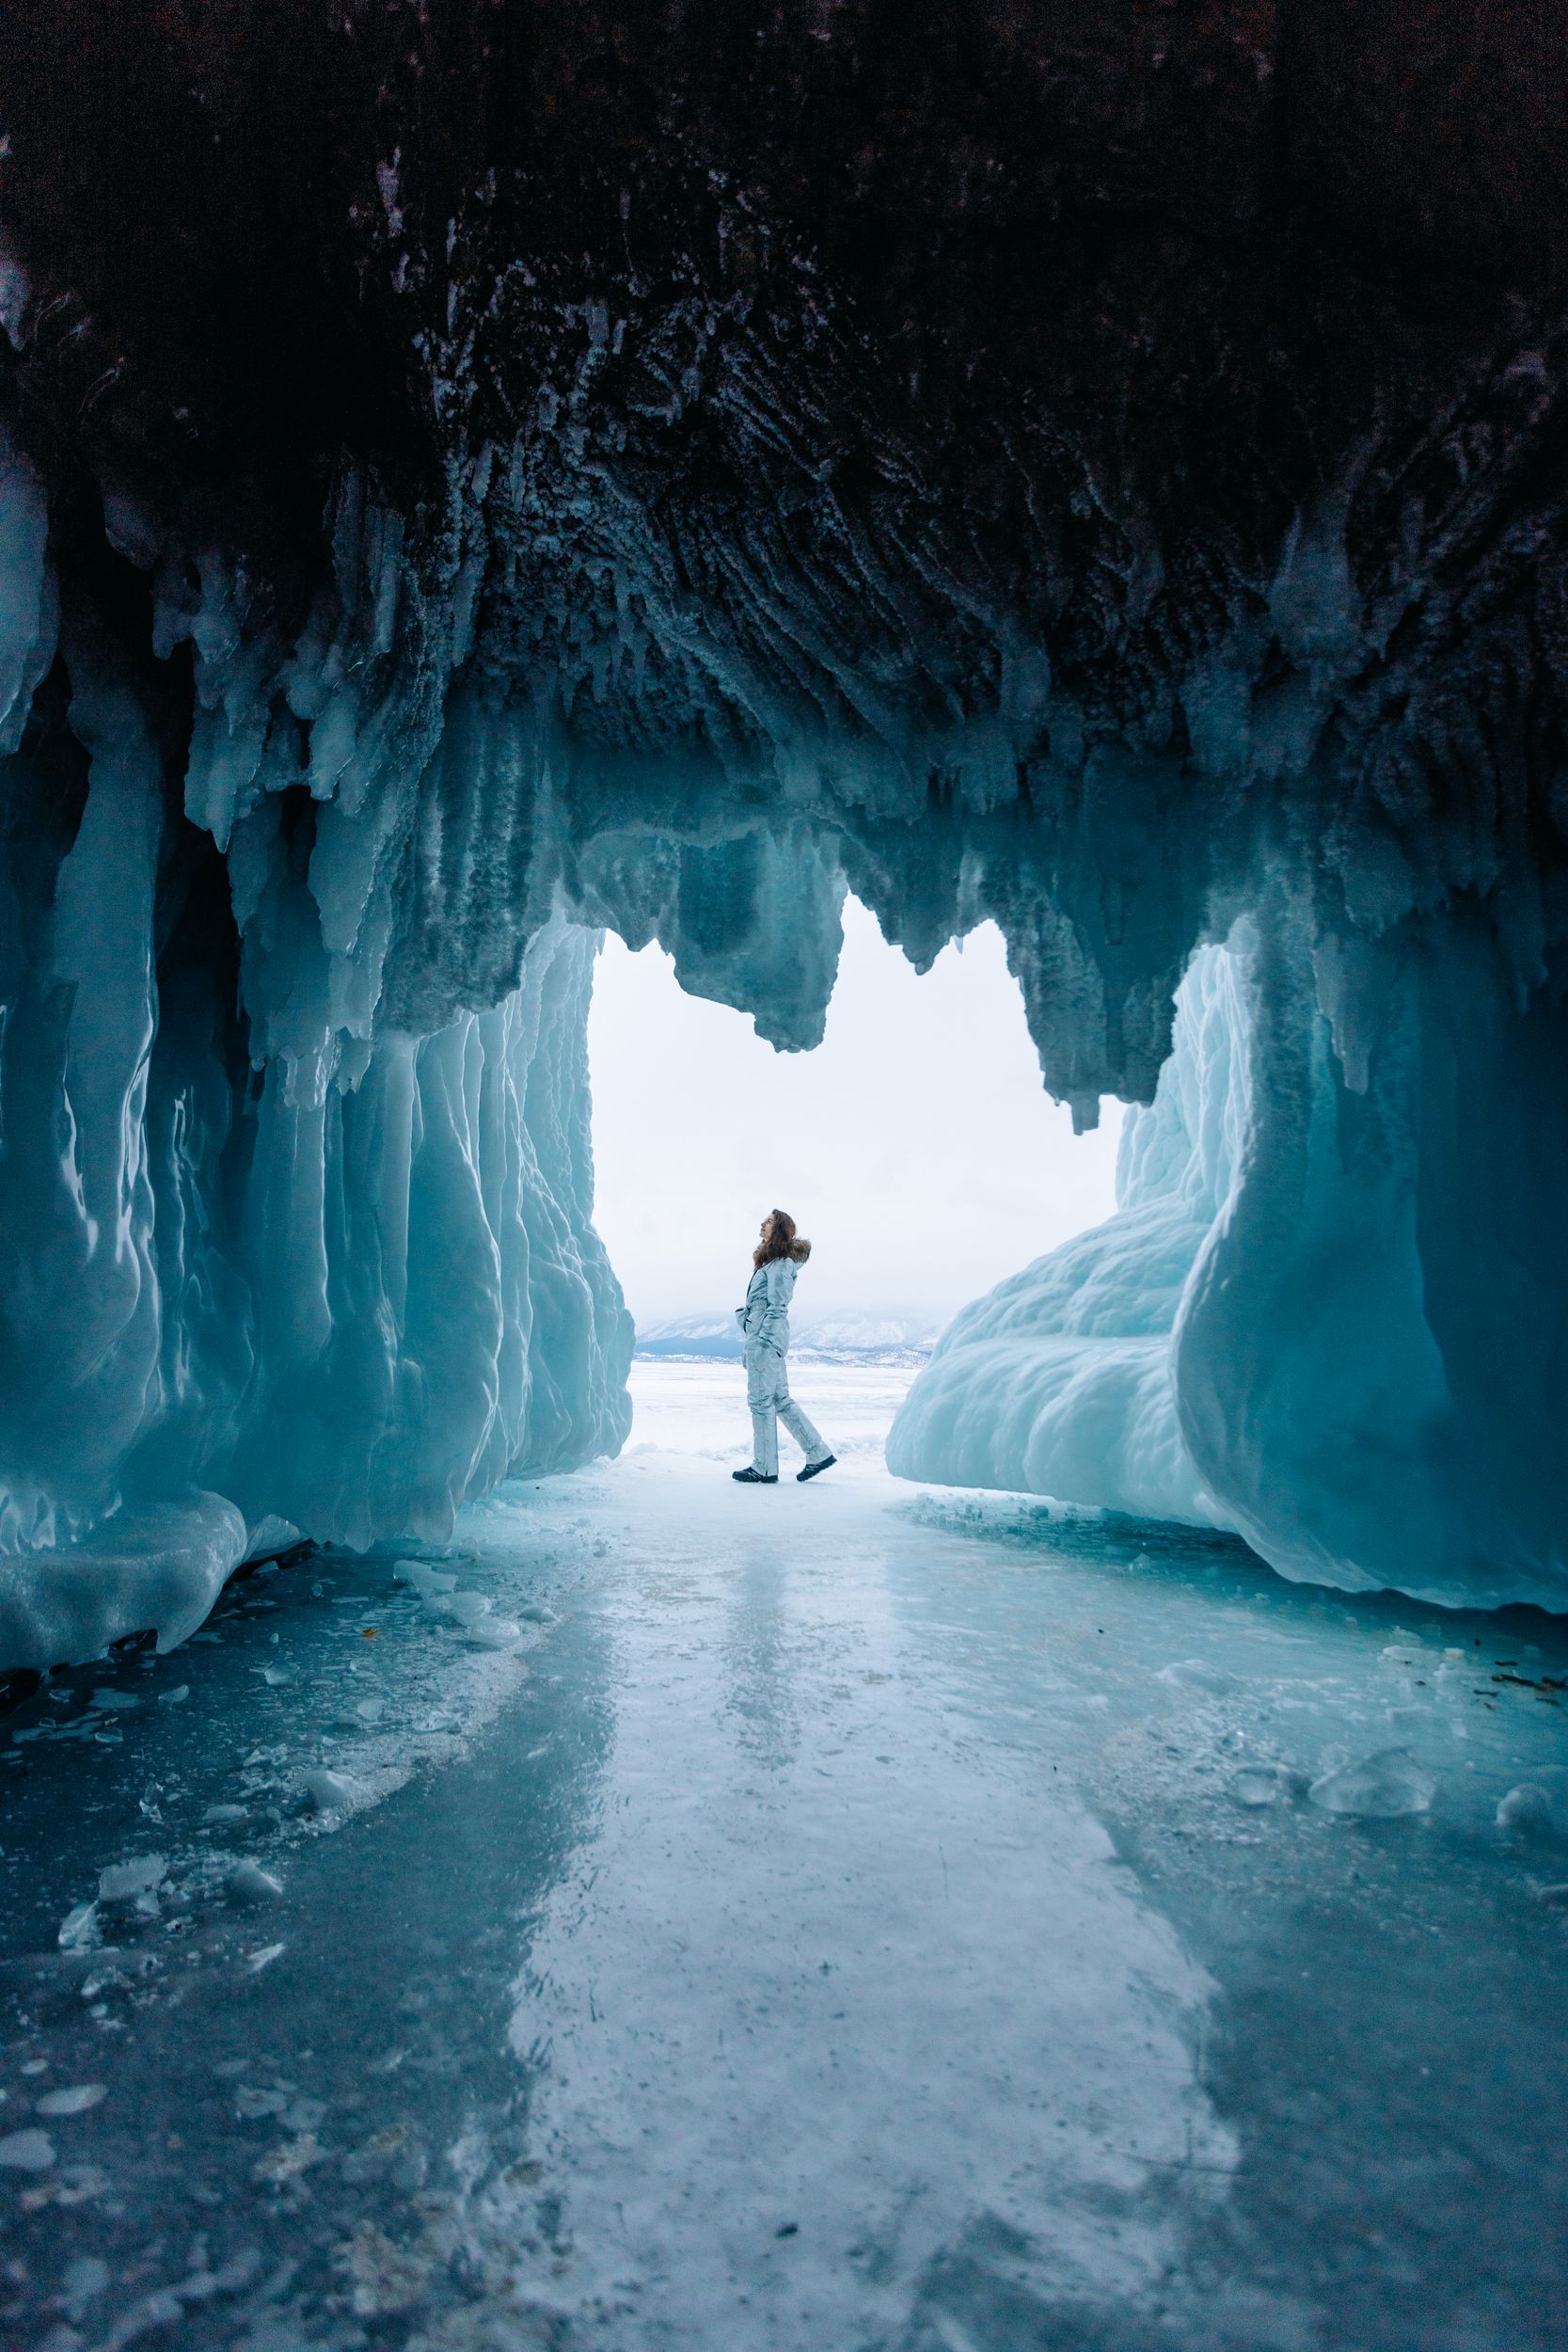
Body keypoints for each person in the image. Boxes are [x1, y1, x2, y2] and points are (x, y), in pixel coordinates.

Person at [732, 1210, 837, 1486]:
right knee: (780, 1400)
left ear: (778, 1229)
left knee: (760, 1402)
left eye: (768, 1221)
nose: (762, 1223)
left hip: (765, 1342)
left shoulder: (779, 1264)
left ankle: (764, 1467)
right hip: (766, 1340)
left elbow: (778, 1307)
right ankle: (818, 1453)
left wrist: (761, 1341)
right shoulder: (771, 1263)